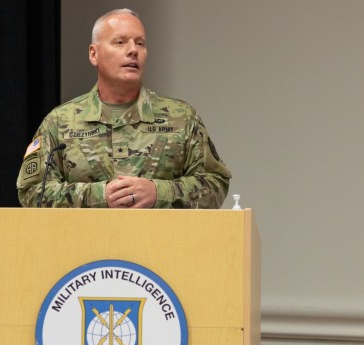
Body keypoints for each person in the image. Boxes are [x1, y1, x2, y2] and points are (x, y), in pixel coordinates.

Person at [17, 8, 231, 208]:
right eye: (120, 42)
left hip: (162, 244)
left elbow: (215, 183)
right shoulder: (60, 122)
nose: (133, 51)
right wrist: (100, 195)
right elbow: (31, 191)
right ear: (94, 54)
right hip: (84, 244)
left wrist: (158, 192)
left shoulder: (181, 118)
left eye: (140, 43)